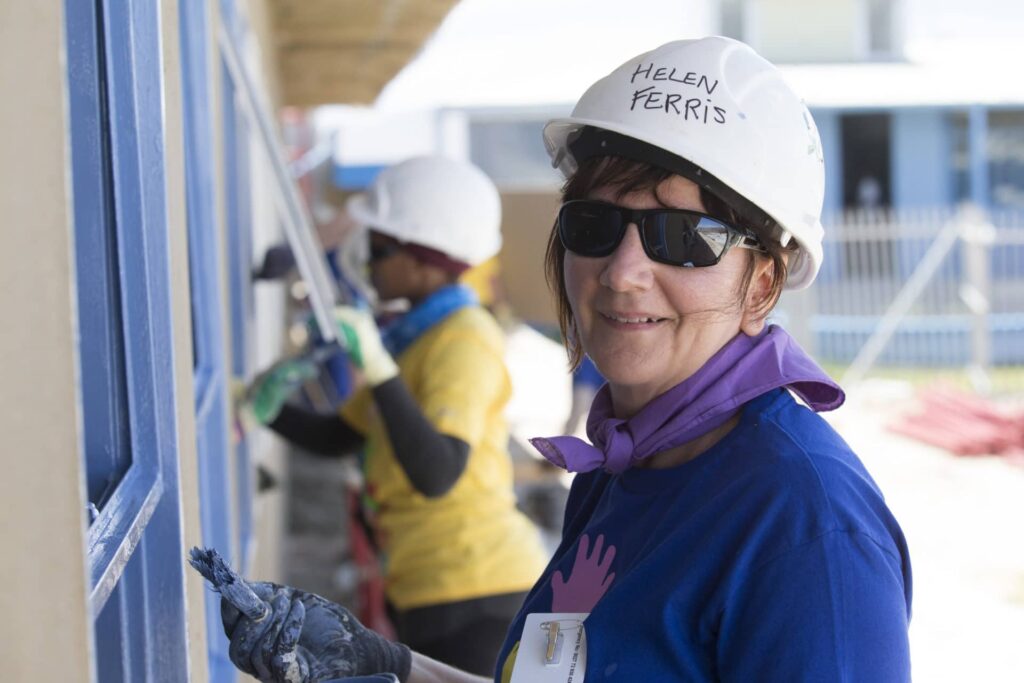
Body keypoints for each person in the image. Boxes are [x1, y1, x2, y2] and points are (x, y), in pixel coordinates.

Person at [219, 36, 912, 682]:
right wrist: (394, 668)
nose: (622, 272)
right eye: (595, 224)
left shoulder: (806, 528)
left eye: (683, 236)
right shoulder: (619, 472)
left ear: (761, 284)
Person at [242, 155, 549, 676]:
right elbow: (339, 436)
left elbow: (437, 472)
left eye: (380, 249)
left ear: (424, 259)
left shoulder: (464, 338)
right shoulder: (412, 339)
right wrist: (261, 405)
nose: (367, 263)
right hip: (426, 587)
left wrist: (379, 369)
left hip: (478, 590)